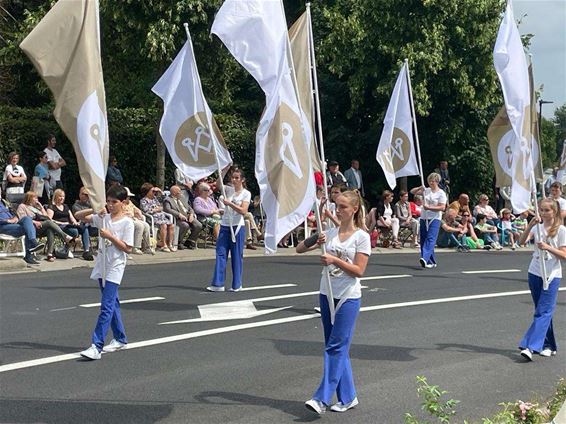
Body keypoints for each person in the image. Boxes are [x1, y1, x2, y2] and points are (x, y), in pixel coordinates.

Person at [295, 190, 370, 415]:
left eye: (343, 207)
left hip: (348, 297)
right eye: (337, 206)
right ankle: (348, 397)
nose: (338, 210)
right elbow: (299, 249)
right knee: (337, 347)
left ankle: (322, 398)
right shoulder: (330, 233)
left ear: (354, 209)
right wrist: (315, 239)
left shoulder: (361, 237)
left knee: (335, 346)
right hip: (327, 293)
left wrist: (334, 259)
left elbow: (359, 271)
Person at [79, 185, 134, 360]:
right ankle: (120, 338)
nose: (110, 205)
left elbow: (128, 248)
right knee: (113, 303)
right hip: (102, 264)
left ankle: (97, 346)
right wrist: (96, 208)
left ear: (123, 203)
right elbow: (80, 217)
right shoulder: (103, 217)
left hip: (116, 266)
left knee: (106, 305)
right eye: (108, 202)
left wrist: (110, 236)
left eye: (114, 202)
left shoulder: (127, 222)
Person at [517, 198, 566, 361]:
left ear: (555, 211)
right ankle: (549, 345)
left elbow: (564, 255)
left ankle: (530, 346)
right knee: (542, 311)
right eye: (541, 210)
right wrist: (530, 225)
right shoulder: (537, 227)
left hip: (551, 275)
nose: (544, 213)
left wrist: (548, 247)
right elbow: (521, 242)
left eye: (547, 210)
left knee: (543, 312)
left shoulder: (561, 230)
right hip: (535, 272)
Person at [206, 168, 251, 292]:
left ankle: (237, 284)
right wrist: (224, 170)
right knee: (220, 253)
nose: (234, 180)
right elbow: (218, 184)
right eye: (233, 177)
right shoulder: (228, 190)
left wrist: (229, 204)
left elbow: (243, 211)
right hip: (225, 225)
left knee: (236, 256)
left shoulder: (246, 193)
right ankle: (218, 284)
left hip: (237, 227)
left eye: (237, 178)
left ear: (242, 180)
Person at [16, 191, 75, 262]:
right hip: (31, 227)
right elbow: (22, 218)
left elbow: (47, 217)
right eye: (35, 198)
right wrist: (35, 222)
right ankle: (65, 237)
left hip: (41, 227)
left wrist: (41, 208)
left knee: (50, 229)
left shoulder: (36, 208)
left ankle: (49, 254)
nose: (37, 199)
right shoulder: (22, 206)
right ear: (29, 198)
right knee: (49, 223)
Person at [410, 173, 447, 268]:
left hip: (435, 218)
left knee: (431, 238)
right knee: (423, 238)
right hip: (424, 217)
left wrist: (429, 207)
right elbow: (412, 192)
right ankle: (431, 261)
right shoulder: (426, 191)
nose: (430, 183)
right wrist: (419, 188)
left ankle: (425, 258)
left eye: (433, 181)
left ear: (437, 182)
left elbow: (442, 207)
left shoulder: (441, 193)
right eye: (429, 181)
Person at [46, 189, 91, 259]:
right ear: (55, 197)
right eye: (60, 196)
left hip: (68, 225)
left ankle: (86, 251)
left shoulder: (66, 206)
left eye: (63, 196)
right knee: (74, 231)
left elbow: (72, 217)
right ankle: (66, 248)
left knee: (84, 228)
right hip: (59, 226)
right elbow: (49, 220)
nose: (62, 198)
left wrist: (75, 223)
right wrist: (62, 223)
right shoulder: (52, 207)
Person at [0, 195, 45, 265]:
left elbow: (13, 213)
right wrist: (7, 221)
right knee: (28, 228)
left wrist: (15, 218)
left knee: (27, 219)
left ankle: (33, 242)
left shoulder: (4, 203)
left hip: (13, 223)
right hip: (3, 226)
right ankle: (29, 254)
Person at [163, 185, 202, 250]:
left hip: (188, 216)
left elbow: (190, 208)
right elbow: (168, 209)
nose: (180, 193)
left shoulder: (182, 198)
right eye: (179, 192)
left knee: (198, 225)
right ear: (174, 193)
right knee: (185, 225)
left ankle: (190, 241)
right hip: (177, 218)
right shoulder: (167, 200)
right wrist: (179, 214)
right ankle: (179, 242)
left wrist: (191, 214)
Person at [139, 183, 175, 252]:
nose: (154, 193)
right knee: (164, 225)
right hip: (152, 218)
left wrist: (160, 191)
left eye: (155, 191)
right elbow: (146, 211)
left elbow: (164, 200)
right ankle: (163, 245)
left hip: (161, 217)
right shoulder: (143, 200)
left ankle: (169, 244)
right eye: (152, 191)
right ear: (147, 192)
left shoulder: (155, 199)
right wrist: (156, 209)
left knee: (171, 225)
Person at [122, 187, 153, 255]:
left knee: (146, 225)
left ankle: (147, 247)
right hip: (126, 220)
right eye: (127, 196)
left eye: (129, 196)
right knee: (139, 226)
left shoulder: (130, 202)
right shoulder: (120, 203)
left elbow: (136, 209)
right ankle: (136, 247)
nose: (128, 198)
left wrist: (139, 213)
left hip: (133, 219)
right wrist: (129, 214)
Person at [72, 187, 99, 260]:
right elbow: (81, 217)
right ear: (79, 195)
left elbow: (97, 215)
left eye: (87, 194)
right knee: (85, 226)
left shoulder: (91, 205)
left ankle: (104, 248)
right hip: (80, 227)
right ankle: (86, 251)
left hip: (93, 226)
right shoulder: (76, 206)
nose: (85, 196)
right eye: (83, 194)